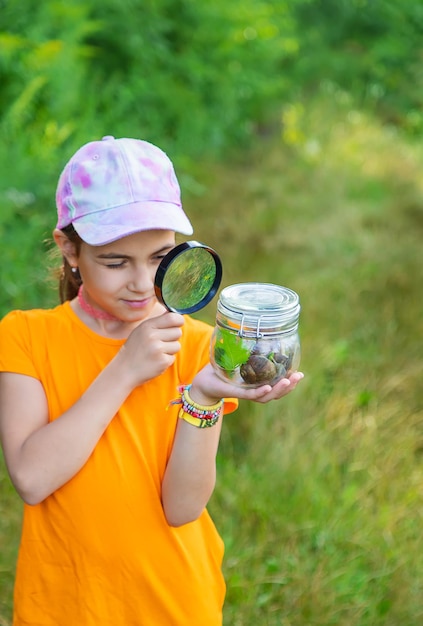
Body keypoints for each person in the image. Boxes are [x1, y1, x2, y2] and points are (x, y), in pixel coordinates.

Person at [0, 136, 303, 626]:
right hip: (62, 605)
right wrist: (124, 370)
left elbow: (182, 507)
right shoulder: (26, 337)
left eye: (160, 257)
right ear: (70, 249)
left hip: (172, 603)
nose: (142, 283)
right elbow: (32, 480)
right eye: (116, 262)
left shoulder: (200, 347)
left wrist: (202, 395)